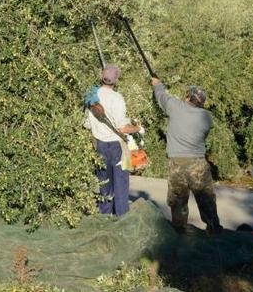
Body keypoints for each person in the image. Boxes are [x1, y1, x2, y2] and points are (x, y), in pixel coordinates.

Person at [151, 77, 222, 234]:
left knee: (178, 202)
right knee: (207, 201)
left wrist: (157, 84)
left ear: (188, 97)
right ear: (201, 103)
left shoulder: (176, 107)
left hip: (177, 163)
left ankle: (179, 233)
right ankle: (214, 230)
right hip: (198, 164)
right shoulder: (207, 117)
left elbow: (161, 96)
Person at [84, 65, 142, 216]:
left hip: (99, 145)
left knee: (104, 184)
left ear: (101, 77)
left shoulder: (91, 95)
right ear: (115, 81)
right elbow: (122, 128)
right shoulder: (117, 98)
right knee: (121, 184)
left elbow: (86, 123)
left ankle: (104, 217)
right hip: (117, 147)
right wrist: (137, 128)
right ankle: (122, 218)